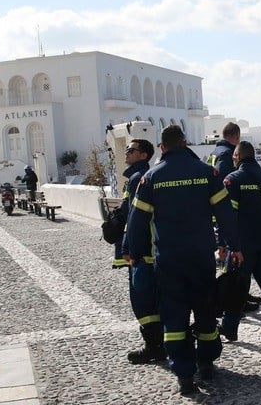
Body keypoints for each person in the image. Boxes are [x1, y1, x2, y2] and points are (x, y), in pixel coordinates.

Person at [127, 125, 243, 394]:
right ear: (185, 143)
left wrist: (135, 254)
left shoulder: (151, 178)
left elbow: (137, 223)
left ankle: (184, 375)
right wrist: (234, 246)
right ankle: (206, 361)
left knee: (174, 317)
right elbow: (226, 214)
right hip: (201, 258)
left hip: (168, 260)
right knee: (205, 310)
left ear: (162, 147)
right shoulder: (207, 173)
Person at [219, 141, 261, 348]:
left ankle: (229, 328)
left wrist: (224, 243)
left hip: (242, 243)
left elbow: (228, 215)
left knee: (236, 288)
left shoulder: (232, 180)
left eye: (233, 158)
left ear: (238, 157)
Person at [111, 139, 165, 364]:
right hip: (146, 251)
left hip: (140, 253)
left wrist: (129, 250)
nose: (126, 152)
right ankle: (158, 344)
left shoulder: (138, 179)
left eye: (130, 150)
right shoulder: (139, 177)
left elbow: (134, 219)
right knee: (152, 300)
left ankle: (154, 346)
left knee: (143, 301)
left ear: (144, 155)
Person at [208, 122, 261, 311]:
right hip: (226, 212)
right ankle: (234, 297)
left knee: (230, 259)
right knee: (234, 257)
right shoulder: (226, 154)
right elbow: (227, 184)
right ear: (237, 136)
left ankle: (238, 295)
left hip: (215, 211)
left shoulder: (214, 152)